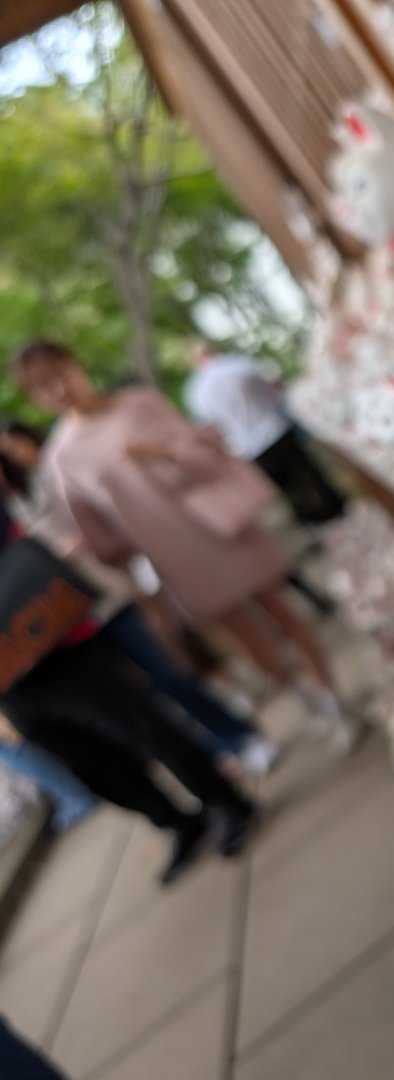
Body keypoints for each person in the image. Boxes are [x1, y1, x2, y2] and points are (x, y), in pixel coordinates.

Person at [13, 340, 360, 750]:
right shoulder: (62, 457)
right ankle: (311, 699)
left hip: (215, 523)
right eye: (42, 387)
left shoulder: (140, 403)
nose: (58, 390)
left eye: (60, 375)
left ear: (75, 365)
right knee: (245, 637)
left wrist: (163, 452)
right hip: (168, 554)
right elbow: (97, 533)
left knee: (282, 610)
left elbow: (208, 453)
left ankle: (331, 694)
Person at [0, 420, 278, 774]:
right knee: (143, 697)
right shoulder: (16, 507)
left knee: (169, 674)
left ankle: (240, 735)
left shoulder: (55, 474)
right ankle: (215, 746)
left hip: (105, 598)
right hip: (62, 627)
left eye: (13, 447)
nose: (13, 456)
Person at [0, 503, 258, 884]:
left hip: (52, 640)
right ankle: (177, 822)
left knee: (146, 726)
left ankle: (228, 801)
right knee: (92, 766)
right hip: (12, 684)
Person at [183, 341, 347, 525]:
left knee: (286, 488)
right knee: (308, 471)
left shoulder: (196, 392)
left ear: (195, 362)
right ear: (213, 351)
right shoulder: (237, 365)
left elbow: (209, 427)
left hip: (248, 447)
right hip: (275, 428)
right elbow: (272, 386)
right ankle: (337, 508)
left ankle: (310, 520)